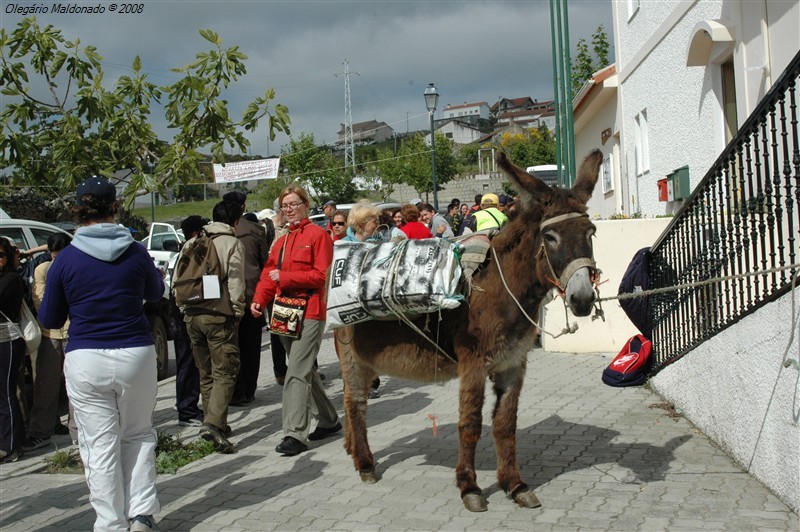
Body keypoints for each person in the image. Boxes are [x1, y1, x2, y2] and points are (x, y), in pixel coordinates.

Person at [38, 176, 164, 531]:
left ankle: (110, 523)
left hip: (86, 357)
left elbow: (50, 318)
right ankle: (141, 515)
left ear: (78, 210)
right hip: (136, 352)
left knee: (98, 445)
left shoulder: (65, 261)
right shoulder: (137, 251)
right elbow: (156, 293)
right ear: (114, 207)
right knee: (138, 433)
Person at [251, 185, 341, 457]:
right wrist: (259, 299)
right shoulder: (280, 241)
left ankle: (295, 433)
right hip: (285, 311)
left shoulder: (317, 236)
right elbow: (269, 274)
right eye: (285, 205)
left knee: (296, 371)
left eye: (293, 204)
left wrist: (287, 278)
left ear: (306, 205)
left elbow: (322, 276)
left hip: (311, 310)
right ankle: (329, 421)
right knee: (304, 372)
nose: (289, 209)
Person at [176, 201, 246, 454]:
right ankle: (213, 424)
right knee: (225, 371)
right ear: (235, 221)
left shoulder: (193, 241)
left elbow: (177, 279)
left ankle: (216, 422)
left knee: (205, 373)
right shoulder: (232, 243)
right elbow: (236, 282)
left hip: (192, 315)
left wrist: (184, 310)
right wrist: (237, 312)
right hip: (219, 316)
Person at [22, 232, 73, 452]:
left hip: (73, 331)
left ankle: (78, 431)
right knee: (45, 384)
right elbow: (42, 302)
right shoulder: (43, 270)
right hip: (50, 333)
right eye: (54, 254)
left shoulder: (74, 267)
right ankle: (40, 432)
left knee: (76, 385)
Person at [223, 191, 271, 407]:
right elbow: (265, 264)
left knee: (229, 346)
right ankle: (248, 390)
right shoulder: (255, 230)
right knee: (251, 347)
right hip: (251, 296)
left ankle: (233, 390)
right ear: (243, 207)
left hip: (223, 300)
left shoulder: (210, 232)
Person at [340, 202, 385, 398]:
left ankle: (369, 384)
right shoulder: (344, 247)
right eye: (375, 220)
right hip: (350, 309)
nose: (377, 224)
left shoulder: (377, 244)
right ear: (364, 222)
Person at [171, 215, 206, 427]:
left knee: (189, 361)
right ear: (195, 233)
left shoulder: (185, 250)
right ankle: (186, 409)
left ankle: (187, 405)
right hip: (184, 311)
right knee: (188, 362)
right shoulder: (191, 250)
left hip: (182, 310)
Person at [0, 237, 26, 464]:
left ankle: (10, 446)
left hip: (7, 341)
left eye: (0, 255)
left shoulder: (11, 279)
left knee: (5, 392)